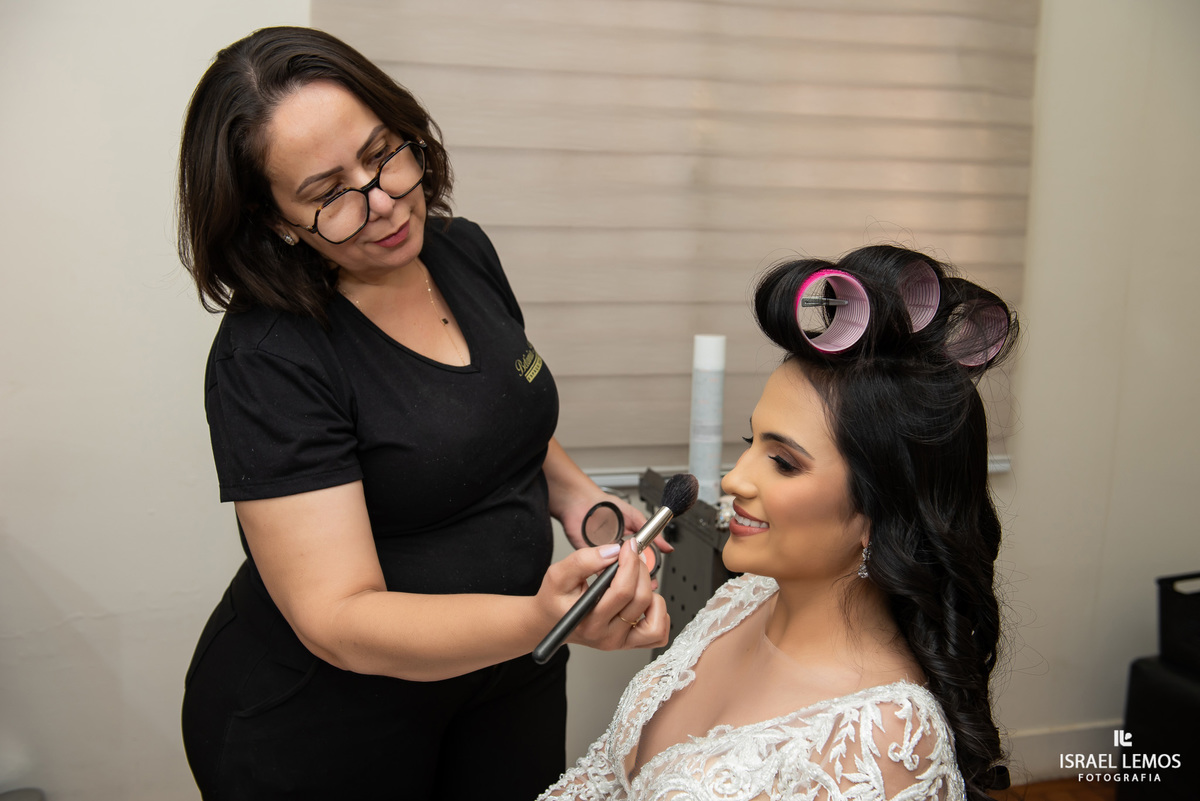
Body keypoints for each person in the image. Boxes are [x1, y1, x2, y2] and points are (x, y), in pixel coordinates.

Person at [176, 26, 668, 801]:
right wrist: (539, 617)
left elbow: (498, 416)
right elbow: (337, 616)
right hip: (329, 721)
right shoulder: (271, 356)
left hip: (502, 684)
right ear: (274, 220)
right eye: (329, 194)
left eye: (383, 155)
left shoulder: (458, 251)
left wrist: (581, 498)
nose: (382, 203)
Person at [539, 245, 1017, 801]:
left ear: (880, 512)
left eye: (784, 462)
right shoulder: (740, 602)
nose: (736, 479)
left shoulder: (884, 741)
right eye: (751, 442)